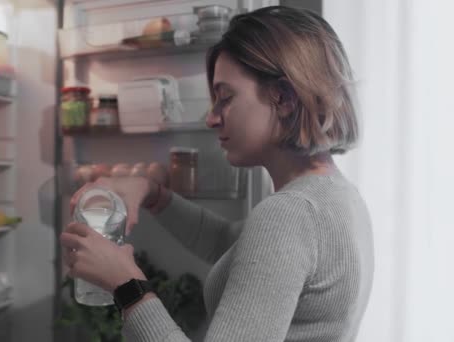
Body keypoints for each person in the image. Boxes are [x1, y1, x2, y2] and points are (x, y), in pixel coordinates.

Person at [60, 5, 374, 342]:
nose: (211, 118)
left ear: (283, 98)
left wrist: (126, 287)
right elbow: (229, 243)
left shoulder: (290, 213)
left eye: (225, 98)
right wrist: (153, 193)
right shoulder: (335, 195)